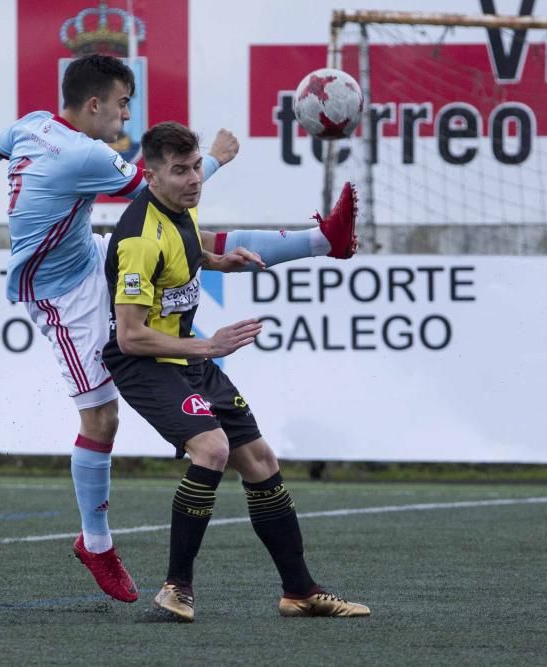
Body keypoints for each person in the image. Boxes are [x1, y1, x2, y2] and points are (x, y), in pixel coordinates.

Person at [0, 54, 358, 604]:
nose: (126, 118)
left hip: (88, 255)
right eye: (122, 105)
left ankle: (322, 242)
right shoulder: (83, 152)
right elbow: (157, 188)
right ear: (94, 105)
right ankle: (95, 542)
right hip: (59, 294)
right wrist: (214, 159)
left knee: (197, 243)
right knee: (101, 417)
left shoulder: (34, 124)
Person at [103, 121, 369, 622]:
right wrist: (210, 344)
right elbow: (129, 336)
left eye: (197, 167)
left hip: (189, 358)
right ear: (152, 176)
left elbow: (184, 247)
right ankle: (175, 587)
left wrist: (218, 261)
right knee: (213, 448)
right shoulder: (138, 238)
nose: (194, 179)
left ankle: (300, 591)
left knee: (261, 460)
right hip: (145, 363)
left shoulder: (180, 205)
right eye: (180, 171)